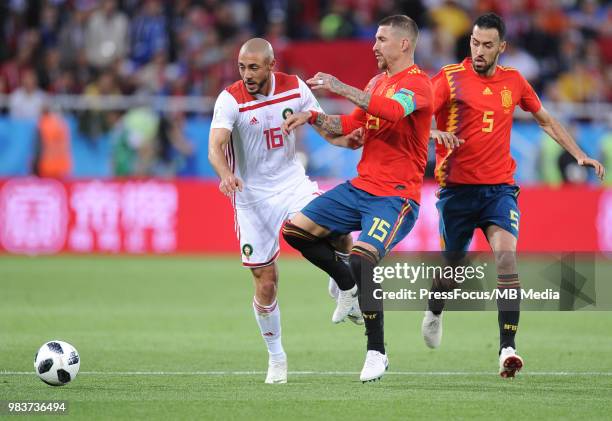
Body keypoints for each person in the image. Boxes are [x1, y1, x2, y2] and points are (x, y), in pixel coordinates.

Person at [423, 13, 605, 378]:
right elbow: (418, 112)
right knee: (453, 269)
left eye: (487, 45)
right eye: (475, 42)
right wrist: (432, 133)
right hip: (456, 192)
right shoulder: (449, 79)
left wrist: (577, 152)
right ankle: (435, 309)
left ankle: (508, 347)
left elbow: (546, 119)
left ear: (501, 47)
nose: (479, 50)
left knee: (506, 259)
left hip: (499, 190)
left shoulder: (514, 82)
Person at [281, 15, 433, 382]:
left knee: (363, 260)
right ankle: (346, 286)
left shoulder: (419, 84)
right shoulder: (377, 82)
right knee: (295, 231)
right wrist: (312, 117)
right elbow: (352, 127)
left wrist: (339, 86)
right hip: (361, 187)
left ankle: (376, 352)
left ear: (403, 44)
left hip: (395, 198)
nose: (374, 45)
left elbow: (393, 111)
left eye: (381, 39)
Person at [208, 38, 362, 385]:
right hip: (252, 197)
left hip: (292, 183)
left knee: (338, 230)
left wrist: (348, 140)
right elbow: (215, 147)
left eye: (254, 67)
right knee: (266, 282)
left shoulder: (295, 88)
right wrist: (226, 174)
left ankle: (340, 281)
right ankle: (276, 357)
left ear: (271, 65)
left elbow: (323, 126)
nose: (247, 74)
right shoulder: (230, 98)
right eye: (242, 67)